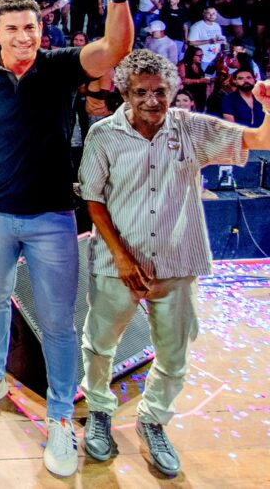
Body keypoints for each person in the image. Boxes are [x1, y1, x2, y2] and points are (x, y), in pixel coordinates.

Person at [0, 0, 134, 477]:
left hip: (52, 216)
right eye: (13, 28)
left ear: (40, 28)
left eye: (31, 27)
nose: (24, 36)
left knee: (57, 321)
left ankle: (60, 417)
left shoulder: (61, 65)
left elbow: (114, 48)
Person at [78, 50, 270, 477]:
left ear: (173, 91)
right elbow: (92, 199)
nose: (152, 101)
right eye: (141, 92)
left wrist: (269, 108)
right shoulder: (103, 135)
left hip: (178, 261)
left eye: (160, 92)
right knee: (98, 346)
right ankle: (99, 412)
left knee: (174, 354)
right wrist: (122, 258)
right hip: (117, 265)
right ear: (125, 94)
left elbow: (261, 140)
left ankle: (153, 420)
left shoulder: (192, 128)